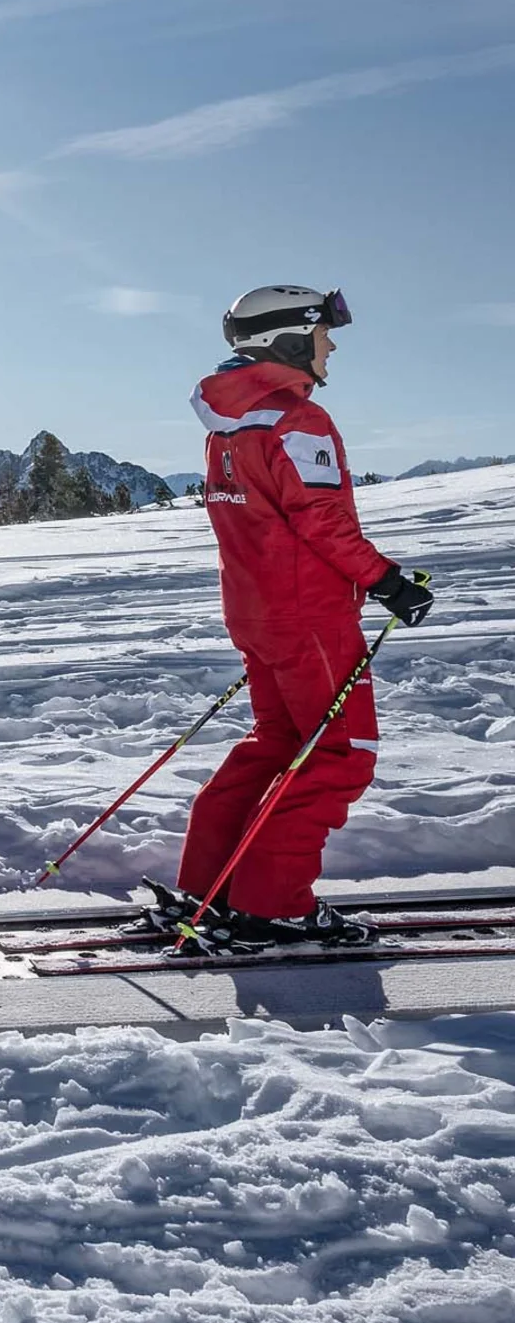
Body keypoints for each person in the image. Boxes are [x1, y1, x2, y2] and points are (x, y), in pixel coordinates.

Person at [170, 285, 434, 946]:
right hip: (308, 614)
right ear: (287, 341)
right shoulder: (296, 421)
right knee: (342, 753)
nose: (331, 347)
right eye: (322, 335)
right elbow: (320, 519)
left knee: (281, 742)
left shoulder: (231, 423)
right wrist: (386, 581)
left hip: (256, 610)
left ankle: (213, 888)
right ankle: (272, 904)